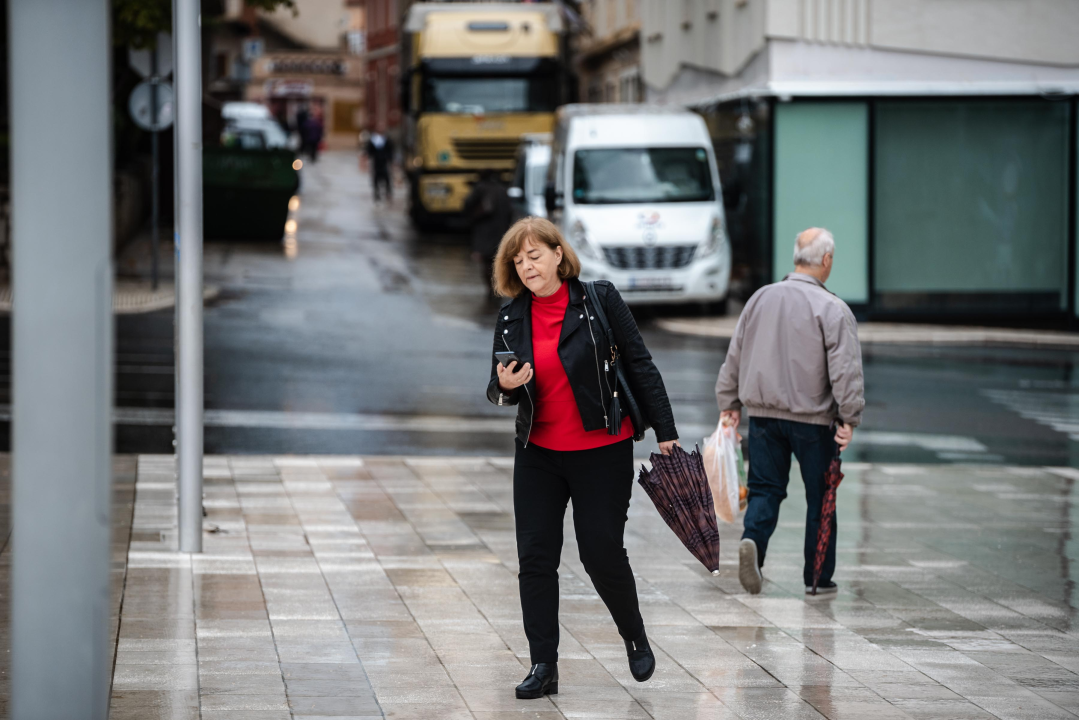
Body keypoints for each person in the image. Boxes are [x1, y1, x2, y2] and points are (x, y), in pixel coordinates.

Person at [486, 217, 681, 699]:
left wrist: (666, 432)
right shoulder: (512, 316)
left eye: (534, 255)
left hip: (601, 450)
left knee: (600, 552)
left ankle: (634, 635)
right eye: (518, 259)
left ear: (558, 254)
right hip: (538, 454)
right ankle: (543, 665)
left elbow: (639, 361)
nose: (526, 266)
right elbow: (497, 388)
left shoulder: (598, 299)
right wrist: (505, 387)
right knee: (535, 559)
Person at [715, 227, 864, 596]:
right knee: (821, 495)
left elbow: (736, 353)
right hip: (814, 421)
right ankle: (817, 577)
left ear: (796, 256)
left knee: (765, 489)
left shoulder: (761, 298)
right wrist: (849, 417)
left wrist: (729, 403)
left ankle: (754, 542)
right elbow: (845, 371)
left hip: (764, 416)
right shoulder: (833, 309)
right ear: (826, 260)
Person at [463, 170, 513, 300]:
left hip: (485, 231)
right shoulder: (503, 190)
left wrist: (472, 217)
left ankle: (492, 290)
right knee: (495, 261)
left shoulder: (481, 189)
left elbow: (468, 204)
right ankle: (496, 289)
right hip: (501, 231)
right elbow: (510, 212)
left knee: (486, 262)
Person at [365, 130, 394, 203]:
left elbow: (390, 150)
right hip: (376, 162)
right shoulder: (373, 140)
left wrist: (389, 159)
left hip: (384, 162)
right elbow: (369, 151)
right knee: (376, 178)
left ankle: (388, 193)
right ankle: (376, 194)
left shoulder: (387, 139)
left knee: (386, 177)